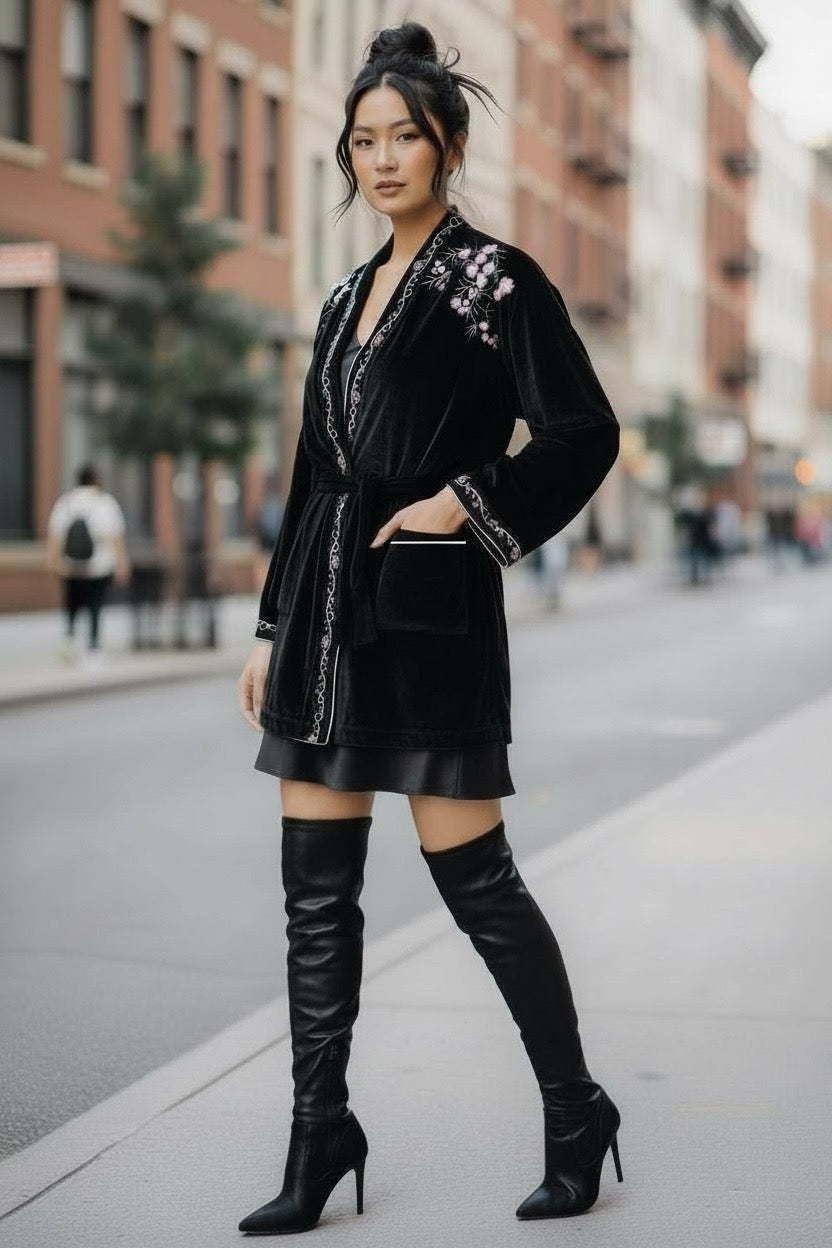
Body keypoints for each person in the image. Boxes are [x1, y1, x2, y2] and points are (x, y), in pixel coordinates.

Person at [236, 21, 622, 1235]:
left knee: (478, 885)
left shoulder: (494, 281)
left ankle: (574, 1112)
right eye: (364, 142)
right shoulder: (342, 298)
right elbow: (314, 473)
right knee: (314, 903)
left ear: (447, 145)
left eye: (404, 136)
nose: (383, 159)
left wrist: (467, 501)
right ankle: (319, 1136)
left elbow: (583, 432)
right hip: (320, 634)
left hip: (426, 624)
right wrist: (268, 626)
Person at [45, 462, 131, 666]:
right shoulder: (105, 503)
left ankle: (69, 640)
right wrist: (122, 563)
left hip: (71, 565)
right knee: (95, 605)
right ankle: (93, 646)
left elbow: (56, 535)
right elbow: (116, 536)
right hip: (99, 564)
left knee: (72, 603)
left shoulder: (66, 502)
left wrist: (52, 561)